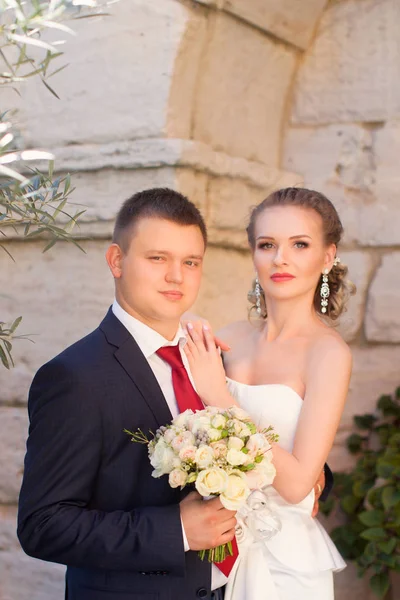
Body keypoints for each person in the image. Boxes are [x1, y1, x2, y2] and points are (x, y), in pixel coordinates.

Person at [17, 188, 238, 600]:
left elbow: (261, 443)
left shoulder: (211, 357)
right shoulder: (74, 377)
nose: (177, 276)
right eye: (158, 259)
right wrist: (177, 531)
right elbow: (43, 525)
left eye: (190, 262)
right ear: (117, 261)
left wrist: (315, 481)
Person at [182, 187, 355, 600]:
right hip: (213, 549)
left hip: (284, 564)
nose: (280, 258)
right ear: (253, 254)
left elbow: (297, 484)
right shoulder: (229, 337)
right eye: (267, 245)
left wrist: (220, 396)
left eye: (299, 244)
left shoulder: (328, 353)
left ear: (327, 257)